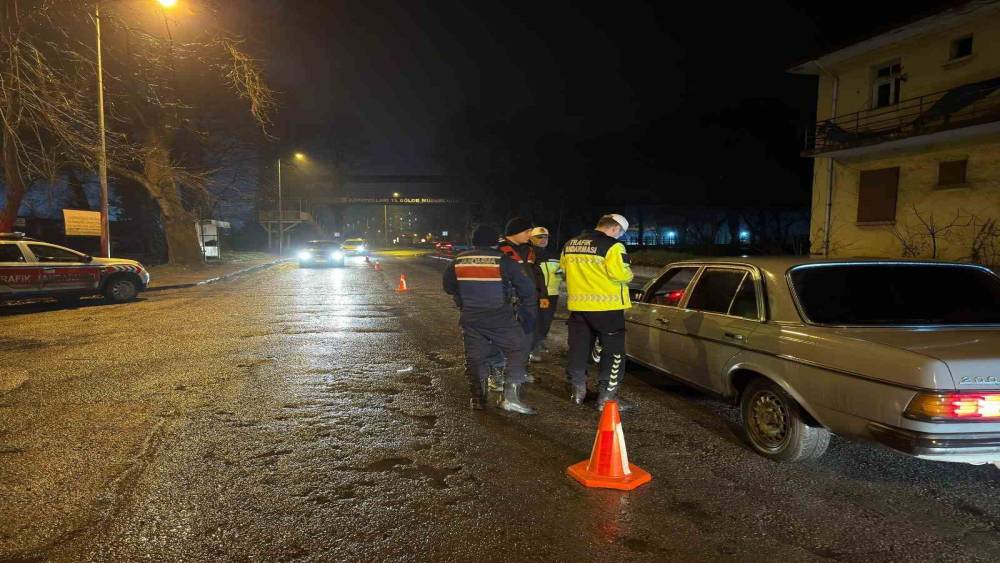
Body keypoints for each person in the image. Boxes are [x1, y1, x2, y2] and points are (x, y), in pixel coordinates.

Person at [443, 224, 537, 414]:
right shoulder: (503, 261)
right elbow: (527, 289)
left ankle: (477, 398)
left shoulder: (458, 261)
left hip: (471, 318)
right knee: (518, 348)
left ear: (473, 241)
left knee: (475, 358)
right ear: (496, 241)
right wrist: (528, 316)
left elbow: (449, 287)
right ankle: (510, 398)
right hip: (499, 317)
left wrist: (468, 297)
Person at [560, 213, 635, 412]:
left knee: (579, 349)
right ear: (615, 229)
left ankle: (577, 391)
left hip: (578, 307)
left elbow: (564, 270)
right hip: (607, 309)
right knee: (614, 352)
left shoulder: (570, 244)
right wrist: (629, 273)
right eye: (620, 233)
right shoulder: (613, 246)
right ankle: (607, 398)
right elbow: (621, 274)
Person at [496, 217, 545, 380]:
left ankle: (520, 370)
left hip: (528, 301)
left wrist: (543, 294)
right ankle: (499, 371)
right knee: (504, 338)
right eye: (527, 231)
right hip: (507, 301)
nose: (530, 235)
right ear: (514, 233)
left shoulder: (530, 250)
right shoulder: (499, 250)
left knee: (526, 337)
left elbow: (537, 274)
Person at [529, 226, 562, 361]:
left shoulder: (554, 254)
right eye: (539, 237)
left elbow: (560, 271)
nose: (543, 240)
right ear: (531, 239)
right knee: (538, 322)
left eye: (545, 237)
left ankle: (540, 341)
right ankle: (533, 349)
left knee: (546, 321)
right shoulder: (530, 254)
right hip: (538, 294)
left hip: (552, 293)